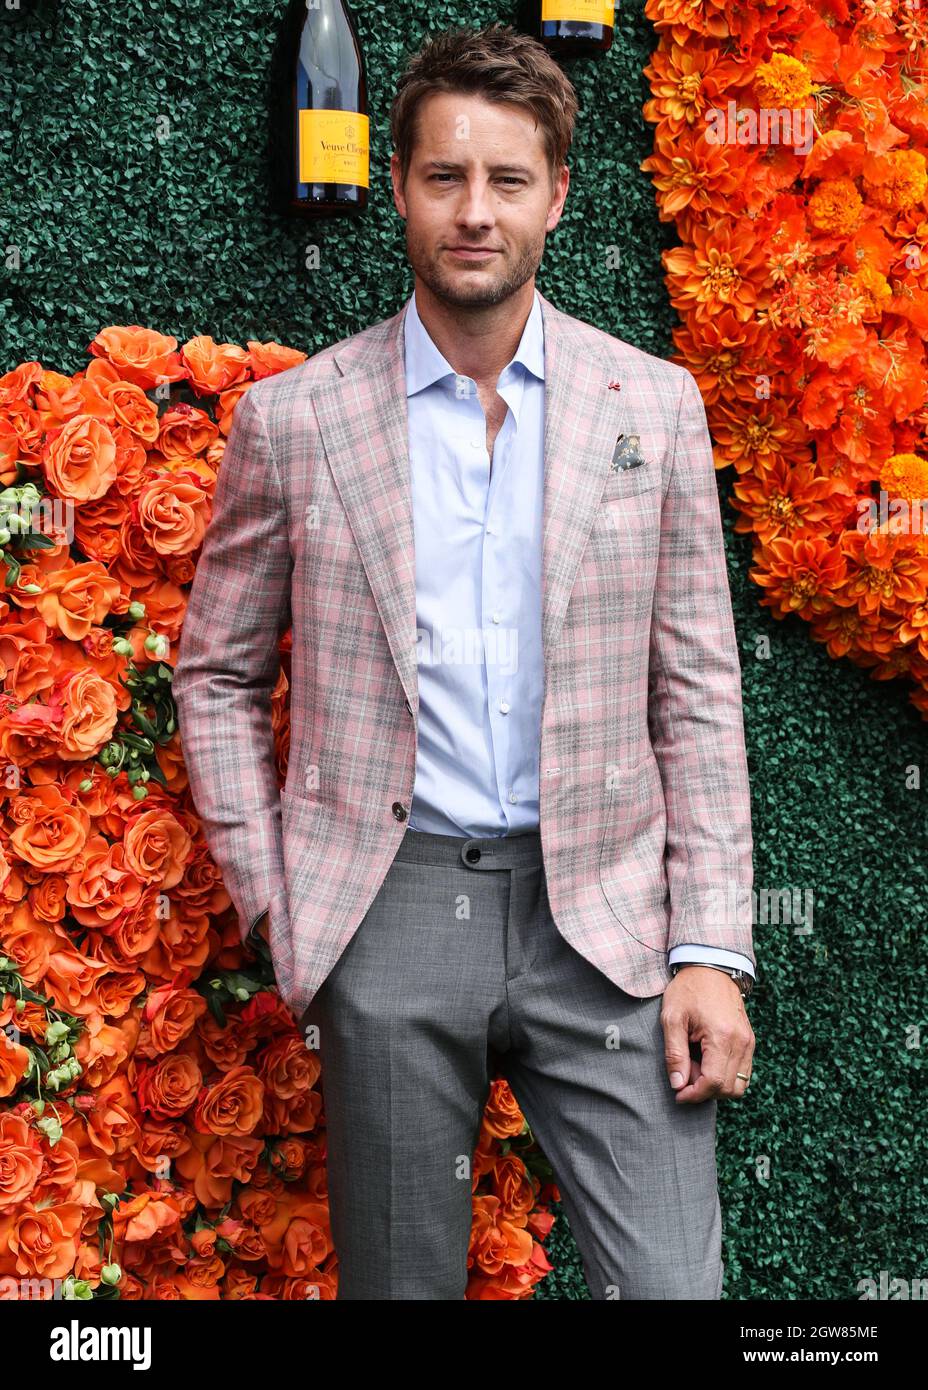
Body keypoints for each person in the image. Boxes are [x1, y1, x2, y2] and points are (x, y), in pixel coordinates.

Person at [171, 22, 757, 1301]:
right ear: (398, 191)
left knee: (672, 1287)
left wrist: (710, 945)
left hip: (599, 918)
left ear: (557, 193)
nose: (473, 213)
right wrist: (285, 903)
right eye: (444, 178)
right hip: (388, 910)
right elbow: (212, 674)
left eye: (505, 180)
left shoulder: (650, 408)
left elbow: (699, 694)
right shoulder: (298, 419)